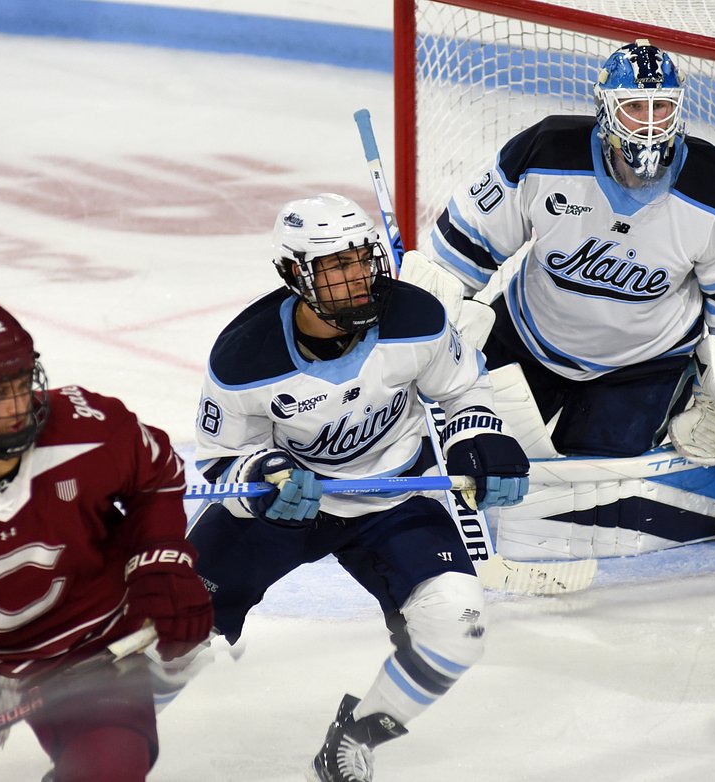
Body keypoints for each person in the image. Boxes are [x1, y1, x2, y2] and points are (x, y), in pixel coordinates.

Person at [184, 192, 529, 782]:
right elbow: (219, 461)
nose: (358, 278)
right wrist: (260, 479)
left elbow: (462, 387)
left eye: (361, 259)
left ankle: (356, 735)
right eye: (335, 266)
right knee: (172, 623)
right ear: (293, 274)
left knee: (460, 623)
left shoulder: (415, 317)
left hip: (392, 495)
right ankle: (98, 745)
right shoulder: (244, 357)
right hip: (289, 508)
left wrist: (480, 437)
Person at [0, 295, 214, 781]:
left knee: (110, 771)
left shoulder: (88, 426)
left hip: (92, 646)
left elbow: (157, 475)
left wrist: (161, 563)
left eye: (19, 385)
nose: (15, 408)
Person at [423, 39, 715, 461]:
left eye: (659, 107)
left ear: (678, 109)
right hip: (527, 337)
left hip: (644, 364)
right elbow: (462, 247)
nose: (648, 125)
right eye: (633, 107)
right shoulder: (544, 153)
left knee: (596, 488)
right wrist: (429, 332)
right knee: (464, 448)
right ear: (606, 109)